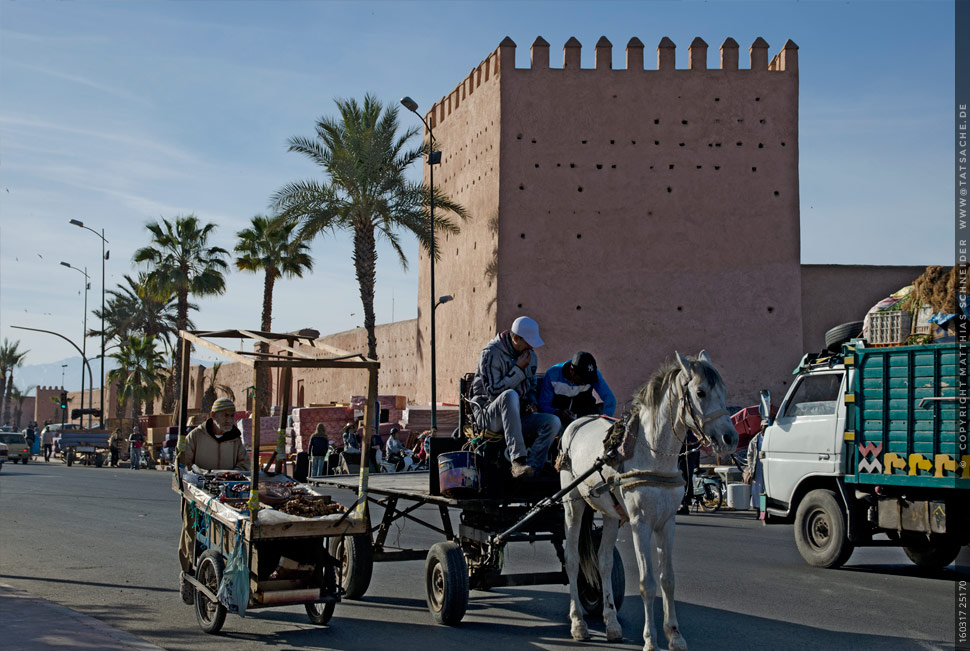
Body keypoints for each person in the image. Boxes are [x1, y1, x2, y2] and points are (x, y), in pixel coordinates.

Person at [177, 397, 250, 604]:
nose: (229, 420)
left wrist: (232, 474)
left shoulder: (235, 439)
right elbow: (185, 465)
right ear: (213, 416)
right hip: (197, 496)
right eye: (225, 415)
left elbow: (244, 464)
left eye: (231, 416)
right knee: (191, 534)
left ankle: (217, 576)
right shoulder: (196, 436)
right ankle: (187, 574)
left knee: (223, 538)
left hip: (226, 496)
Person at [469, 316, 560, 479]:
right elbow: (493, 393)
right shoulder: (491, 354)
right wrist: (518, 369)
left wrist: (531, 403)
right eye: (528, 342)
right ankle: (517, 460)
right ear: (516, 338)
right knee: (509, 395)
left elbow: (531, 387)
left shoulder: (530, 356)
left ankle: (532, 469)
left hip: (517, 417)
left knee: (553, 422)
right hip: (489, 417)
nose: (531, 347)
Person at [539, 351, 617, 428]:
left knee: (602, 408)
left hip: (585, 415)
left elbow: (610, 399)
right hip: (561, 420)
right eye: (583, 379)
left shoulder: (594, 374)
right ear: (572, 371)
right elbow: (544, 405)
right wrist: (557, 412)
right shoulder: (552, 375)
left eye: (589, 380)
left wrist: (603, 422)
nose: (586, 383)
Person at [744, 429, 764, 513]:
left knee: (764, 490)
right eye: (764, 426)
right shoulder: (755, 440)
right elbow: (750, 454)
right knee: (757, 490)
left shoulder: (769, 437)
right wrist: (751, 467)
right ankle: (758, 510)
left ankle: (763, 510)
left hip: (766, 467)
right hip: (757, 467)